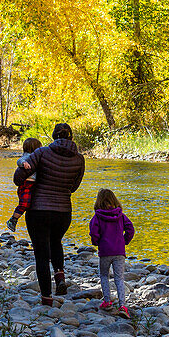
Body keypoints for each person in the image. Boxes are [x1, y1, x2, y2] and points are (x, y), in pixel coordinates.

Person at [15, 122, 85, 306]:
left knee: (41, 255)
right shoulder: (79, 159)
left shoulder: (42, 152)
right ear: (71, 137)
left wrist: (27, 174)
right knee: (55, 241)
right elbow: (74, 187)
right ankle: (60, 276)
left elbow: (18, 178)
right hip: (63, 211)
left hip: (39, 210)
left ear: (54, 136)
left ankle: (47, 298)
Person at [89, 188, 135, 317]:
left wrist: (96, 242)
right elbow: (130, 228)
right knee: (119, 278)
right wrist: (125, 241)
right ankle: (122, 305)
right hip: (119, 252)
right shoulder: (120, 215)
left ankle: (107, 301)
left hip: (105, 252)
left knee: (104, 276)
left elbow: (94, 232)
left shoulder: (97, 216)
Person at [7, 137, 43, 231]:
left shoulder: (36, 156)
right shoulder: (28, 156)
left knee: (31, 204)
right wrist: (24, 163)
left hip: (33, 184)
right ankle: (13, 219)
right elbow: (19, 161)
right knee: (24, 203)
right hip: (26, 184)